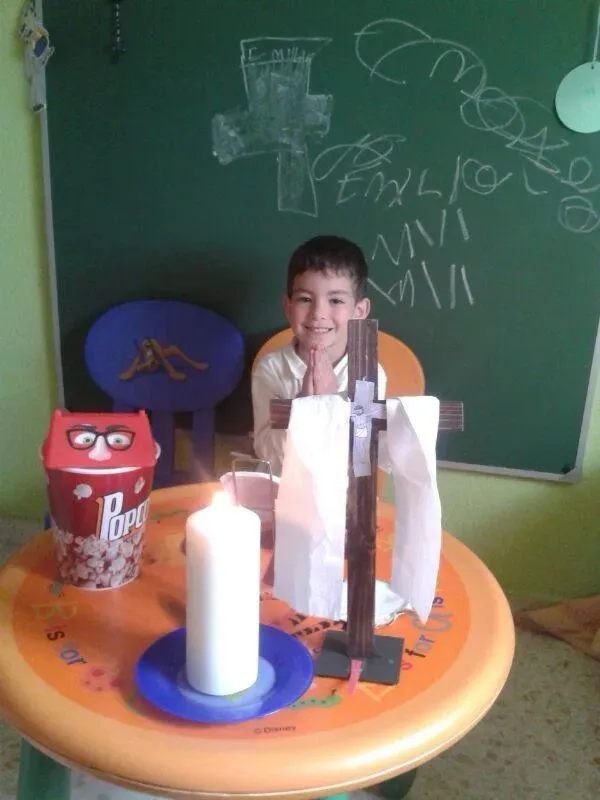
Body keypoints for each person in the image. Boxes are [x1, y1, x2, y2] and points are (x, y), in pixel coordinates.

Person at [252, 234, 387, 473]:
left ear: (359, 310)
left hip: (342, 499)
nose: (318, 313)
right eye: (305, 299)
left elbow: (360, 459)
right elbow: (269, 457)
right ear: (288, 307)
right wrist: (306, 408)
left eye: (335, 300)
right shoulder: (270, 369)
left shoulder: (368, 373)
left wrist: (328, 405)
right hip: (281, 495)